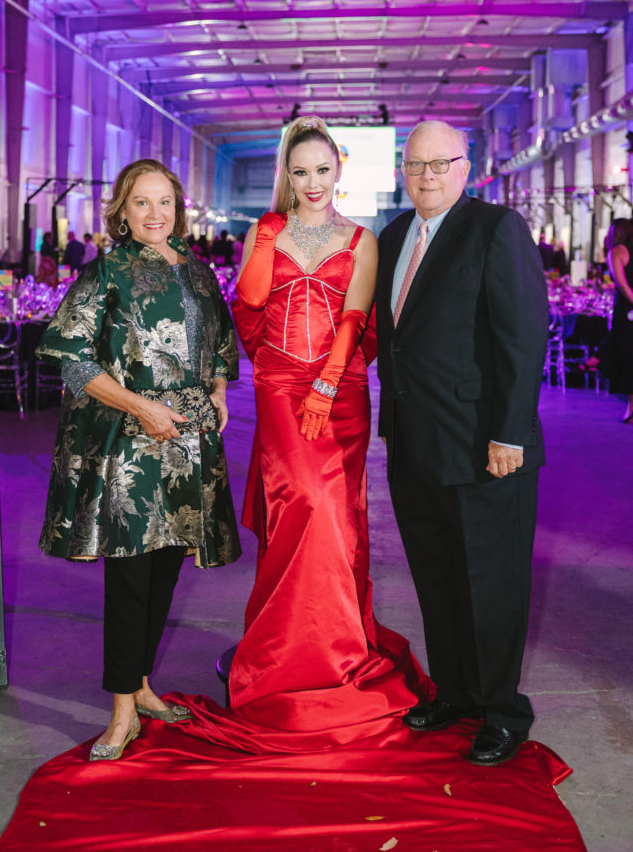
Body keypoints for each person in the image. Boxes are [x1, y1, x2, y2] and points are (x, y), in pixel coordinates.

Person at [221, 115, 429, 745]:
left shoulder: (361, 239)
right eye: (299, 171)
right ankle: (282, 654)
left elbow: (355, 316)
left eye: (321, 170)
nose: (312, 182)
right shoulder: (267, 229)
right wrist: (267, 237)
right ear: (286, 174)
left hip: (339, 393)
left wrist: (330, 383)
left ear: (340, 167)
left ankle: (338, 650)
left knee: (339, 521)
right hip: (279, 385)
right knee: (301, 506)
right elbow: (251, 306)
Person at [36, 158, 241, 762]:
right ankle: (123, 708)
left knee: (165, 570)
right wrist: (141, 408)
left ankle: (143, 686)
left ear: (178, 208)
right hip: (129, 444)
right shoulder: (105, 273)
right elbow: (73, 359)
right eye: (142, 203)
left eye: (164, 203)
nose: (155, 214)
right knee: (129, 574)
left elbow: (222, 347)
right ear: (122, 211)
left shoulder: (201, 274)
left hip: (191, 447)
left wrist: (222, 391)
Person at [376, 119, 548, 766]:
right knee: (438, 576)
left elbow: (521, 335)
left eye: (437, 164)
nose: (425, 176)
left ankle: (502, 710)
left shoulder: (494, 228)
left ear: (464, 167)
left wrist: (509, 431)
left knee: (490, 581)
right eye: (414, 165)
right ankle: (454, 693)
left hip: (484, 445)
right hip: (414, 443)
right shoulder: (393, 236)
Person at [603, 218, 633, 422]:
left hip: (627, 311)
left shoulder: (617, 251)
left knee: (628, 357)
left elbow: (622, 285)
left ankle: (631, 406)